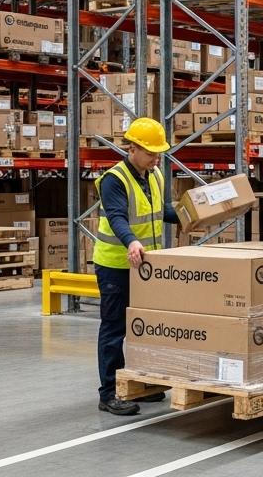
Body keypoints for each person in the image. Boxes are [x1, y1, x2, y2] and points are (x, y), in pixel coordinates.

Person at [93, 117, 181, 416]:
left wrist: (189, 215)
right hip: (116, 265)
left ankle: (139, 383)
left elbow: (159, 211)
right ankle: (109, 393)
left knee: (144, 327)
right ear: (132, 148)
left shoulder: (154, 175)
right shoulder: (114, 180)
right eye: (151, 153)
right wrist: (131, 241)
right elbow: (117, 215)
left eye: (159, 153)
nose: (157, 158)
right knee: (115, 328)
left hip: (146, 266)